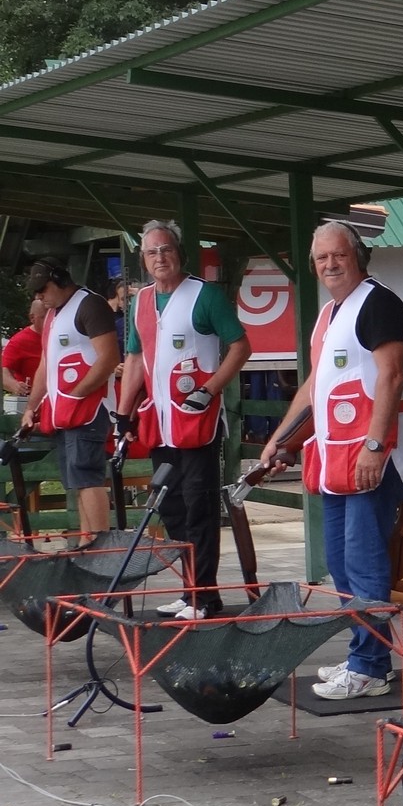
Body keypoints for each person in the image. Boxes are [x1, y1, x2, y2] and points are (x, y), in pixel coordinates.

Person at [261, 221, 403, 701]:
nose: (329, 264)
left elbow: (390, 377)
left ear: (358, 256)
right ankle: (364, 657)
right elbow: (313, 388)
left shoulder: (379, 302)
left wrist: (374, 447)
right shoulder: (329, 313)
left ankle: (369, 666)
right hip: (332, 458)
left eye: (338, 255)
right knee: (341, 563)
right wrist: (280, 439)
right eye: (321, 257)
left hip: (371, 457)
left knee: (364, 563)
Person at [113, 221, 252, 619]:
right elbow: (136, 359)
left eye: (166, 249)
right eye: (152, 252)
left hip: (196, 419)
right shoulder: (140, 302)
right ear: (143, 259)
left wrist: (209, 389)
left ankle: (205, 596)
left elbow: (241, 347)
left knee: (199, 507)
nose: (160, 257)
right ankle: (190, 589)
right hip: (159, 420)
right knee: (171, 506)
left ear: (179, 253)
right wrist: (122, 415)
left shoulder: (205, 296)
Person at [20, 256, 119, 538]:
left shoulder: (90, 305)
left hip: (89, 410)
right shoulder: (52, 315)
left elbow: (109, 358)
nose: (40, 295)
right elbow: (45, 364)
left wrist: (77, 394)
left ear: (61, 281)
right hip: (65, 411)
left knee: (88, 478)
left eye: (43, 289)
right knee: (77, 481)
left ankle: (98, 547)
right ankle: (87, 544)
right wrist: (32, 407)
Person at [2, 297, 48, 412]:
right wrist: (14, 385)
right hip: (33, 405)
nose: (49, 321)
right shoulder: (19, 341)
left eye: (51, 316)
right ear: (32, 318)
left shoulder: (59, 336)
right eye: (44, 317)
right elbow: (4, 372)